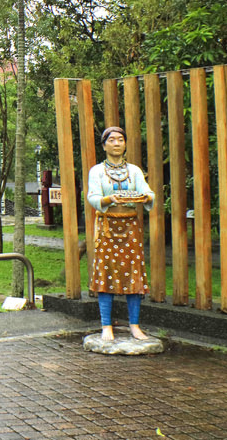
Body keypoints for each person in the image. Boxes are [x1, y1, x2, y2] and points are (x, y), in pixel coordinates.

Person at [86, 126, 154, 342]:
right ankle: (106, 325)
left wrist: (146, 197)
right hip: (107, 227)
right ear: (104, 144)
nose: (116, 143)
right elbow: (93, 196)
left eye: (120, 139)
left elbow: (147, 191)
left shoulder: (134, 170)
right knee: (106, 274)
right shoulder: (96, 171)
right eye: (112, 140)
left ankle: (134, 325)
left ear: (125, 143)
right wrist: (109, 200)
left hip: (130, 227)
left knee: (134, 273)